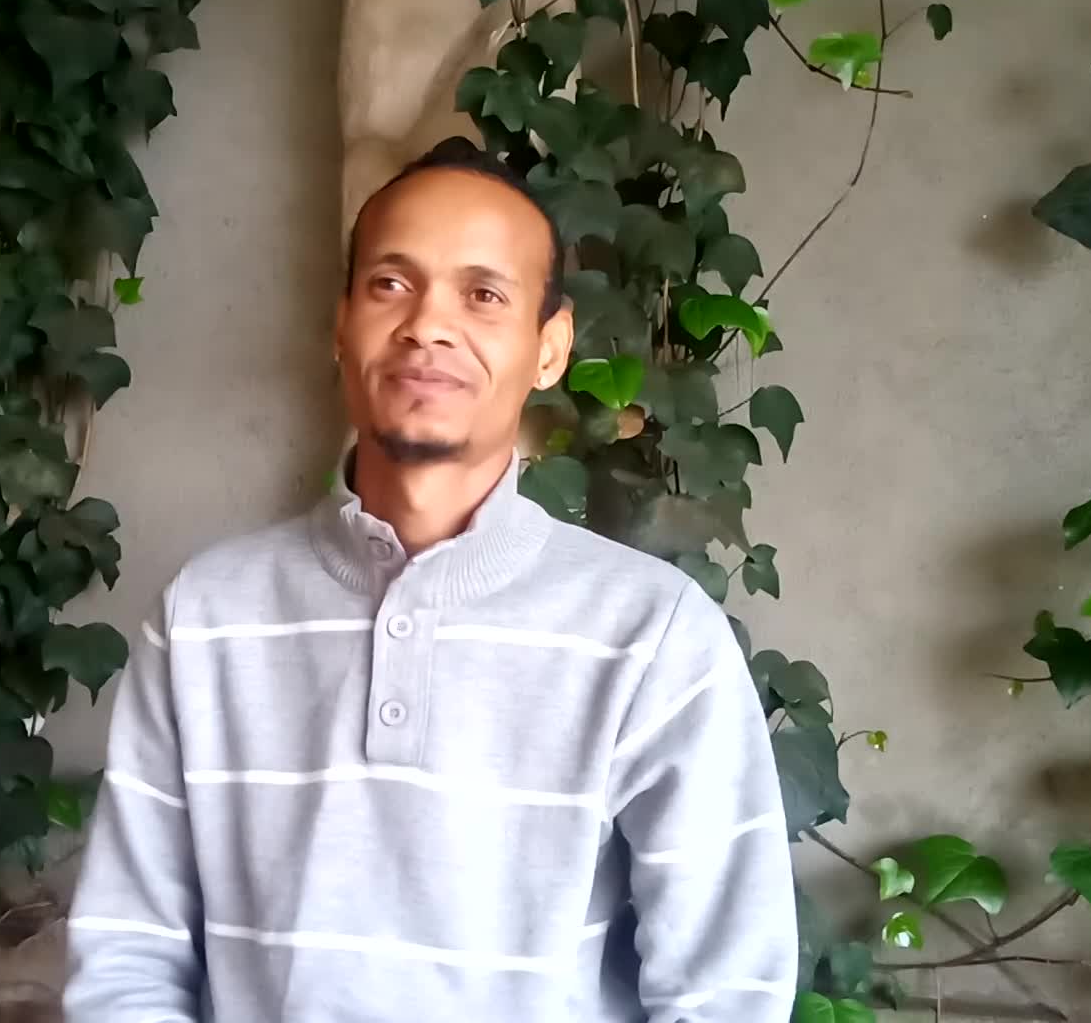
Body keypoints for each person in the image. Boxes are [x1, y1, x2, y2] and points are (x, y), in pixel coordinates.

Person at [63, 138, 797, 1022]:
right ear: (341, 326)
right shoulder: (205, 616)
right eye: (390, 284)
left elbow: (725, 994)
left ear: (551, 348)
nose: (427, 326)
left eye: (484, 295)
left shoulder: (654, 635)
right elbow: (128, 956)